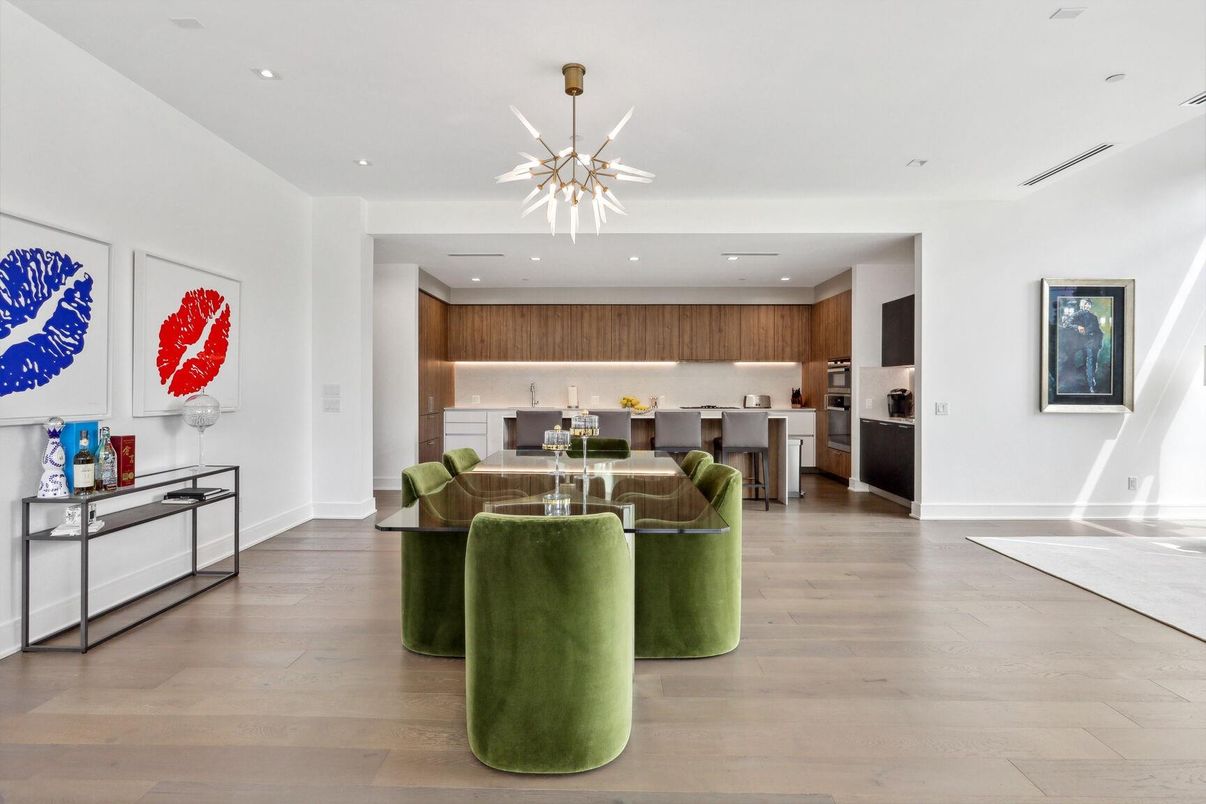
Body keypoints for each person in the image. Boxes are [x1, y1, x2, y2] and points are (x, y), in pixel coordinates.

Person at [1059, 298, 1104, 393]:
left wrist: (1099, 342)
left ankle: (1091, 380)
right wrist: (1077, 327)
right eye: (1085, 304)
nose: (1087, 306)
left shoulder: (1094, 317)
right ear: (1081, 305)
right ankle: (1090, 385)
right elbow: (1065, 324)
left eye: (1089, 304)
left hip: (1094, 342)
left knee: (1093, 363)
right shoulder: (1077, 314)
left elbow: (1098, 330)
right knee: (1088, 363)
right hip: (1084, 342)